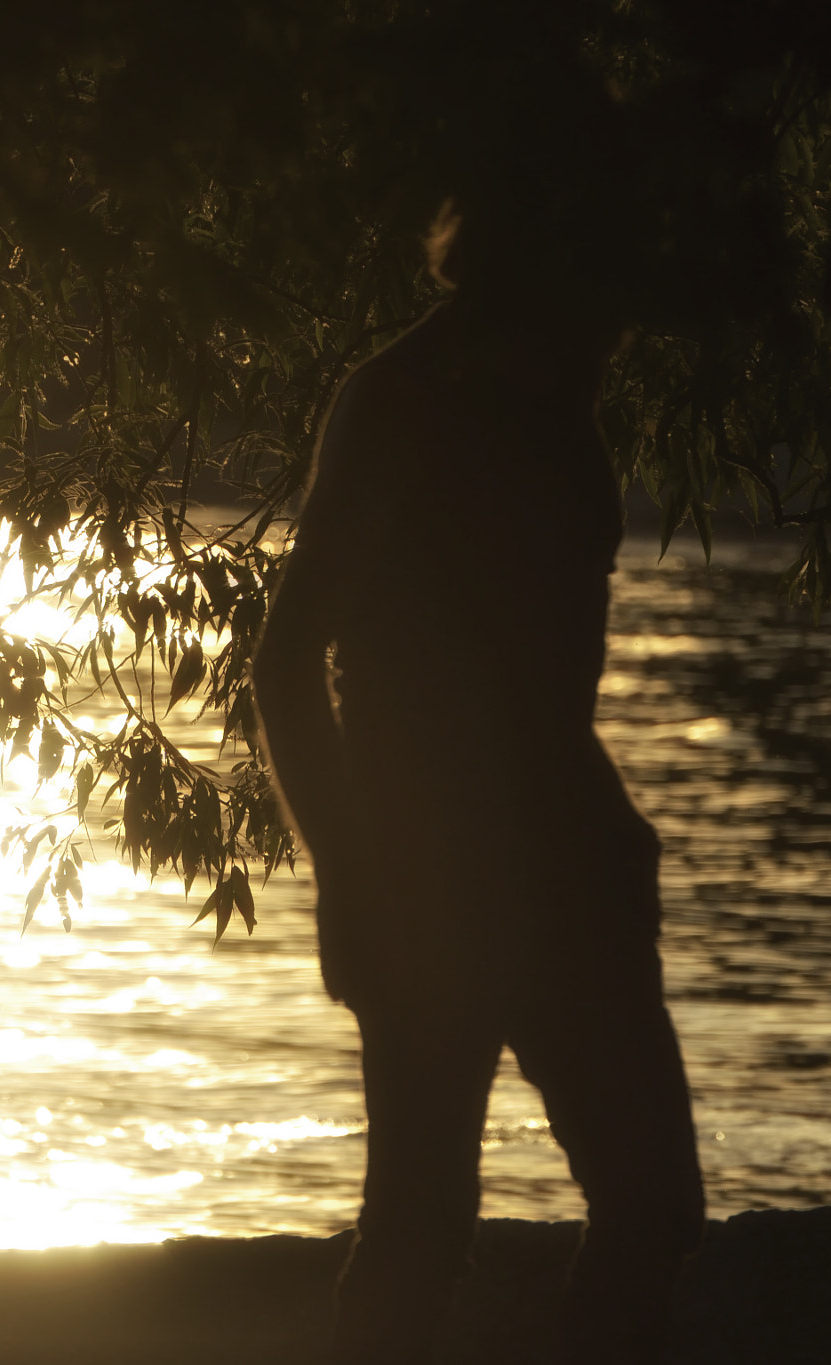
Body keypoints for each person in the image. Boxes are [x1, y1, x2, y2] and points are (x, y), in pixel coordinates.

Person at [250, 204, 707, 1363]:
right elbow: (286, 656)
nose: (620, 321)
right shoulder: (401, 399)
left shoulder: (558, 393)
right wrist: (347, 874)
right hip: (427, 873)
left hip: (570, 861)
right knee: (418, 1223)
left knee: (652, 1204)